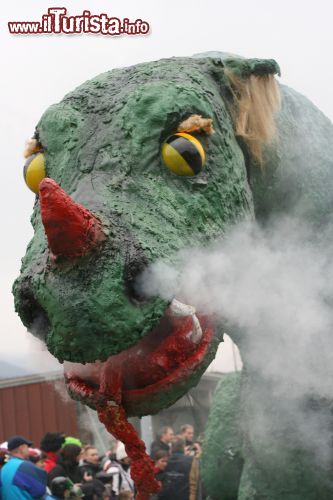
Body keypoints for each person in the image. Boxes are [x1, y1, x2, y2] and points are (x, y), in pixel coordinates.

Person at [0, 435, 47, 499]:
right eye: (27, 447)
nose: (28, 449)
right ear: (21, 448)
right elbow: (40, 491)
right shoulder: (25, 466)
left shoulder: (4, 468)